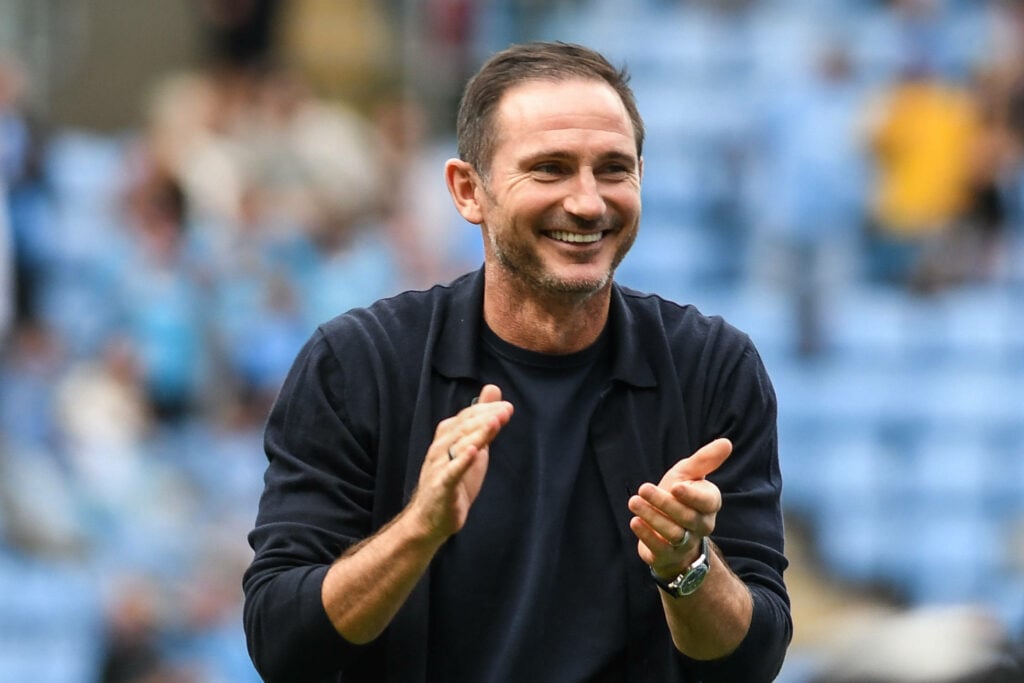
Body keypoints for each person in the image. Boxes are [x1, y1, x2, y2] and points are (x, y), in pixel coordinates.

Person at [243, 41, 791, 682]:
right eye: (551, 168)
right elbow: (282, 642)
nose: (589, 202)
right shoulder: (357, 364)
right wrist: (419, 528)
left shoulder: (713, 366)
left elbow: (754, 658)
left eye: (613, 169)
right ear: (468, 190)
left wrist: (687, 567)